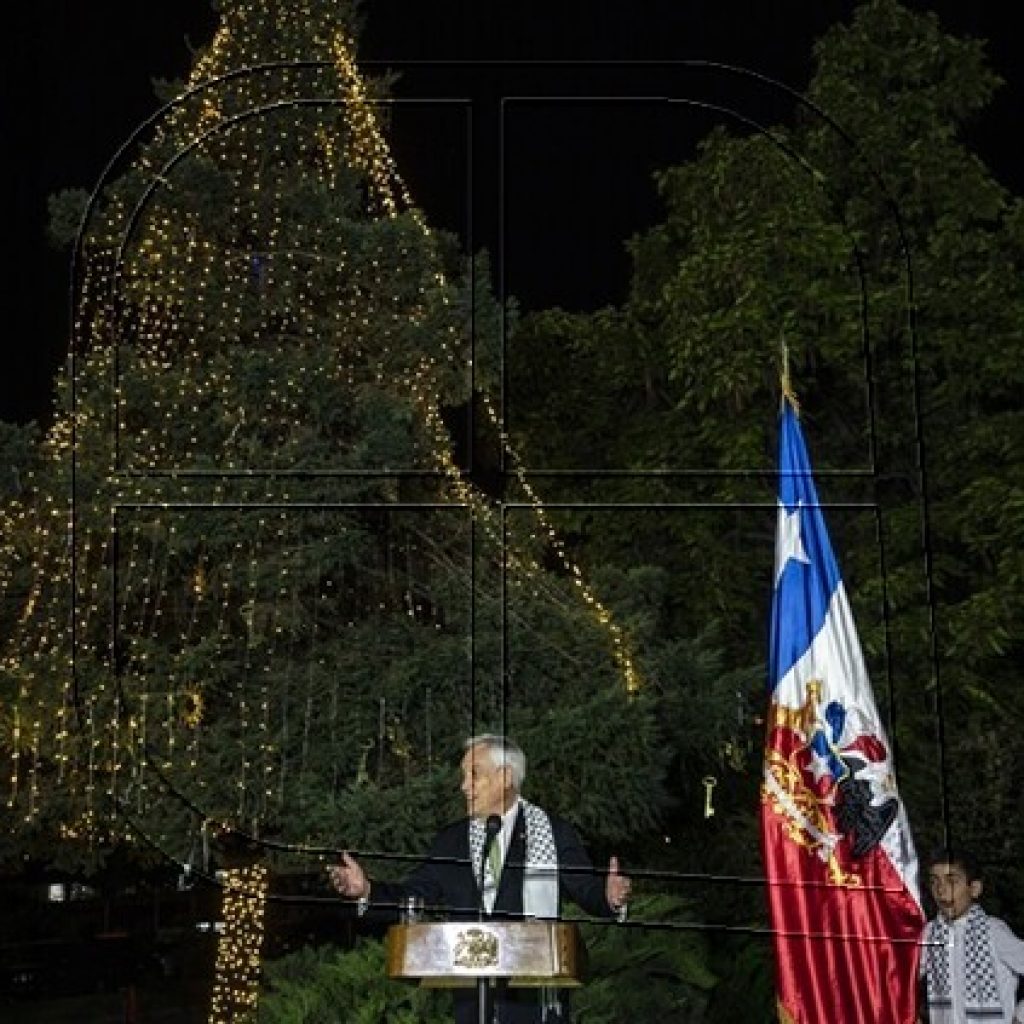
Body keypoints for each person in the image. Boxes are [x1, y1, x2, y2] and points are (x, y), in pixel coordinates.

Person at [329, 733, 631, 1023]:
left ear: (505, 777)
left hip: (534, 1008)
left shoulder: (551, 833)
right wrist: (367, 890)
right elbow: (415, 895)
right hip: (473, 1007)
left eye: (474, 775)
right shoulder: (452, 841)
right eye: (463, 776)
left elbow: (586, 890)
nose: (463, 786)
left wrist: (609, 897)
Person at [919, 848, 1024, 1024]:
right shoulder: (930, 934)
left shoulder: (994, 932)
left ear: (974, 889)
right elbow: (901, 978)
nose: (941, 889)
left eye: (951, 881)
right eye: (934, 881)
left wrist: (1021, 1017)